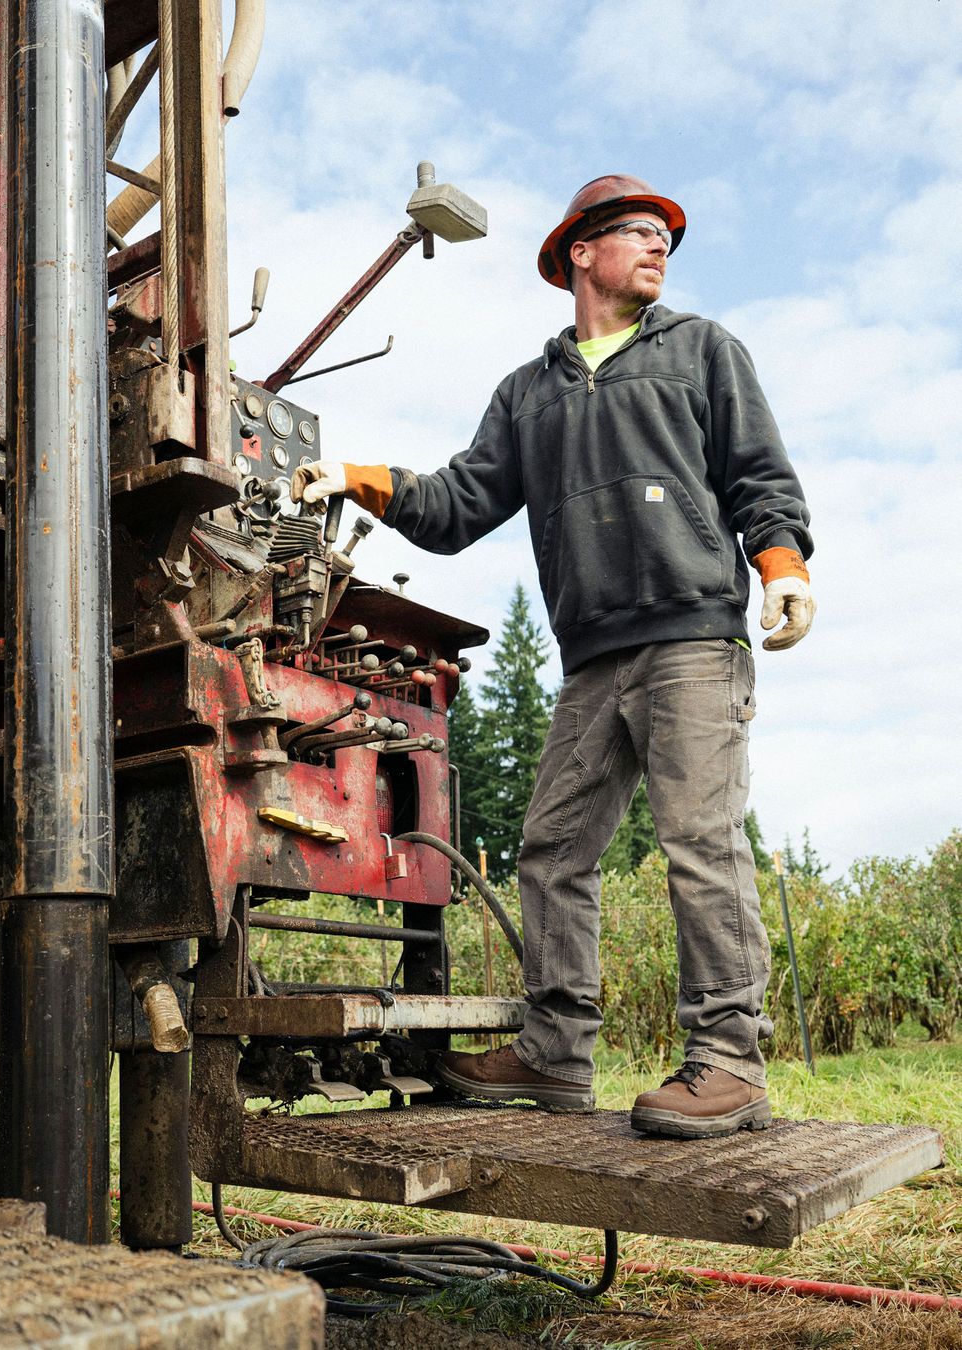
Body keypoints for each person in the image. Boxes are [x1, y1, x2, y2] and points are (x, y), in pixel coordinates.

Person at [291, 175, 815, 1140]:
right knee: (552, 849)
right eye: (639, 234)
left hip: (695, 639)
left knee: (700, 844)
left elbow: (758, 476)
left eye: (668, 238)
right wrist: (360, 478)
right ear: (581, 251)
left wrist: (781, 566)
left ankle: (731, 1063)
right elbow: (457, 504)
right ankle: (554, 1053)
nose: (660, 248)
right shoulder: (529, 393)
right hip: (594, 661)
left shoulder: (702, 351)